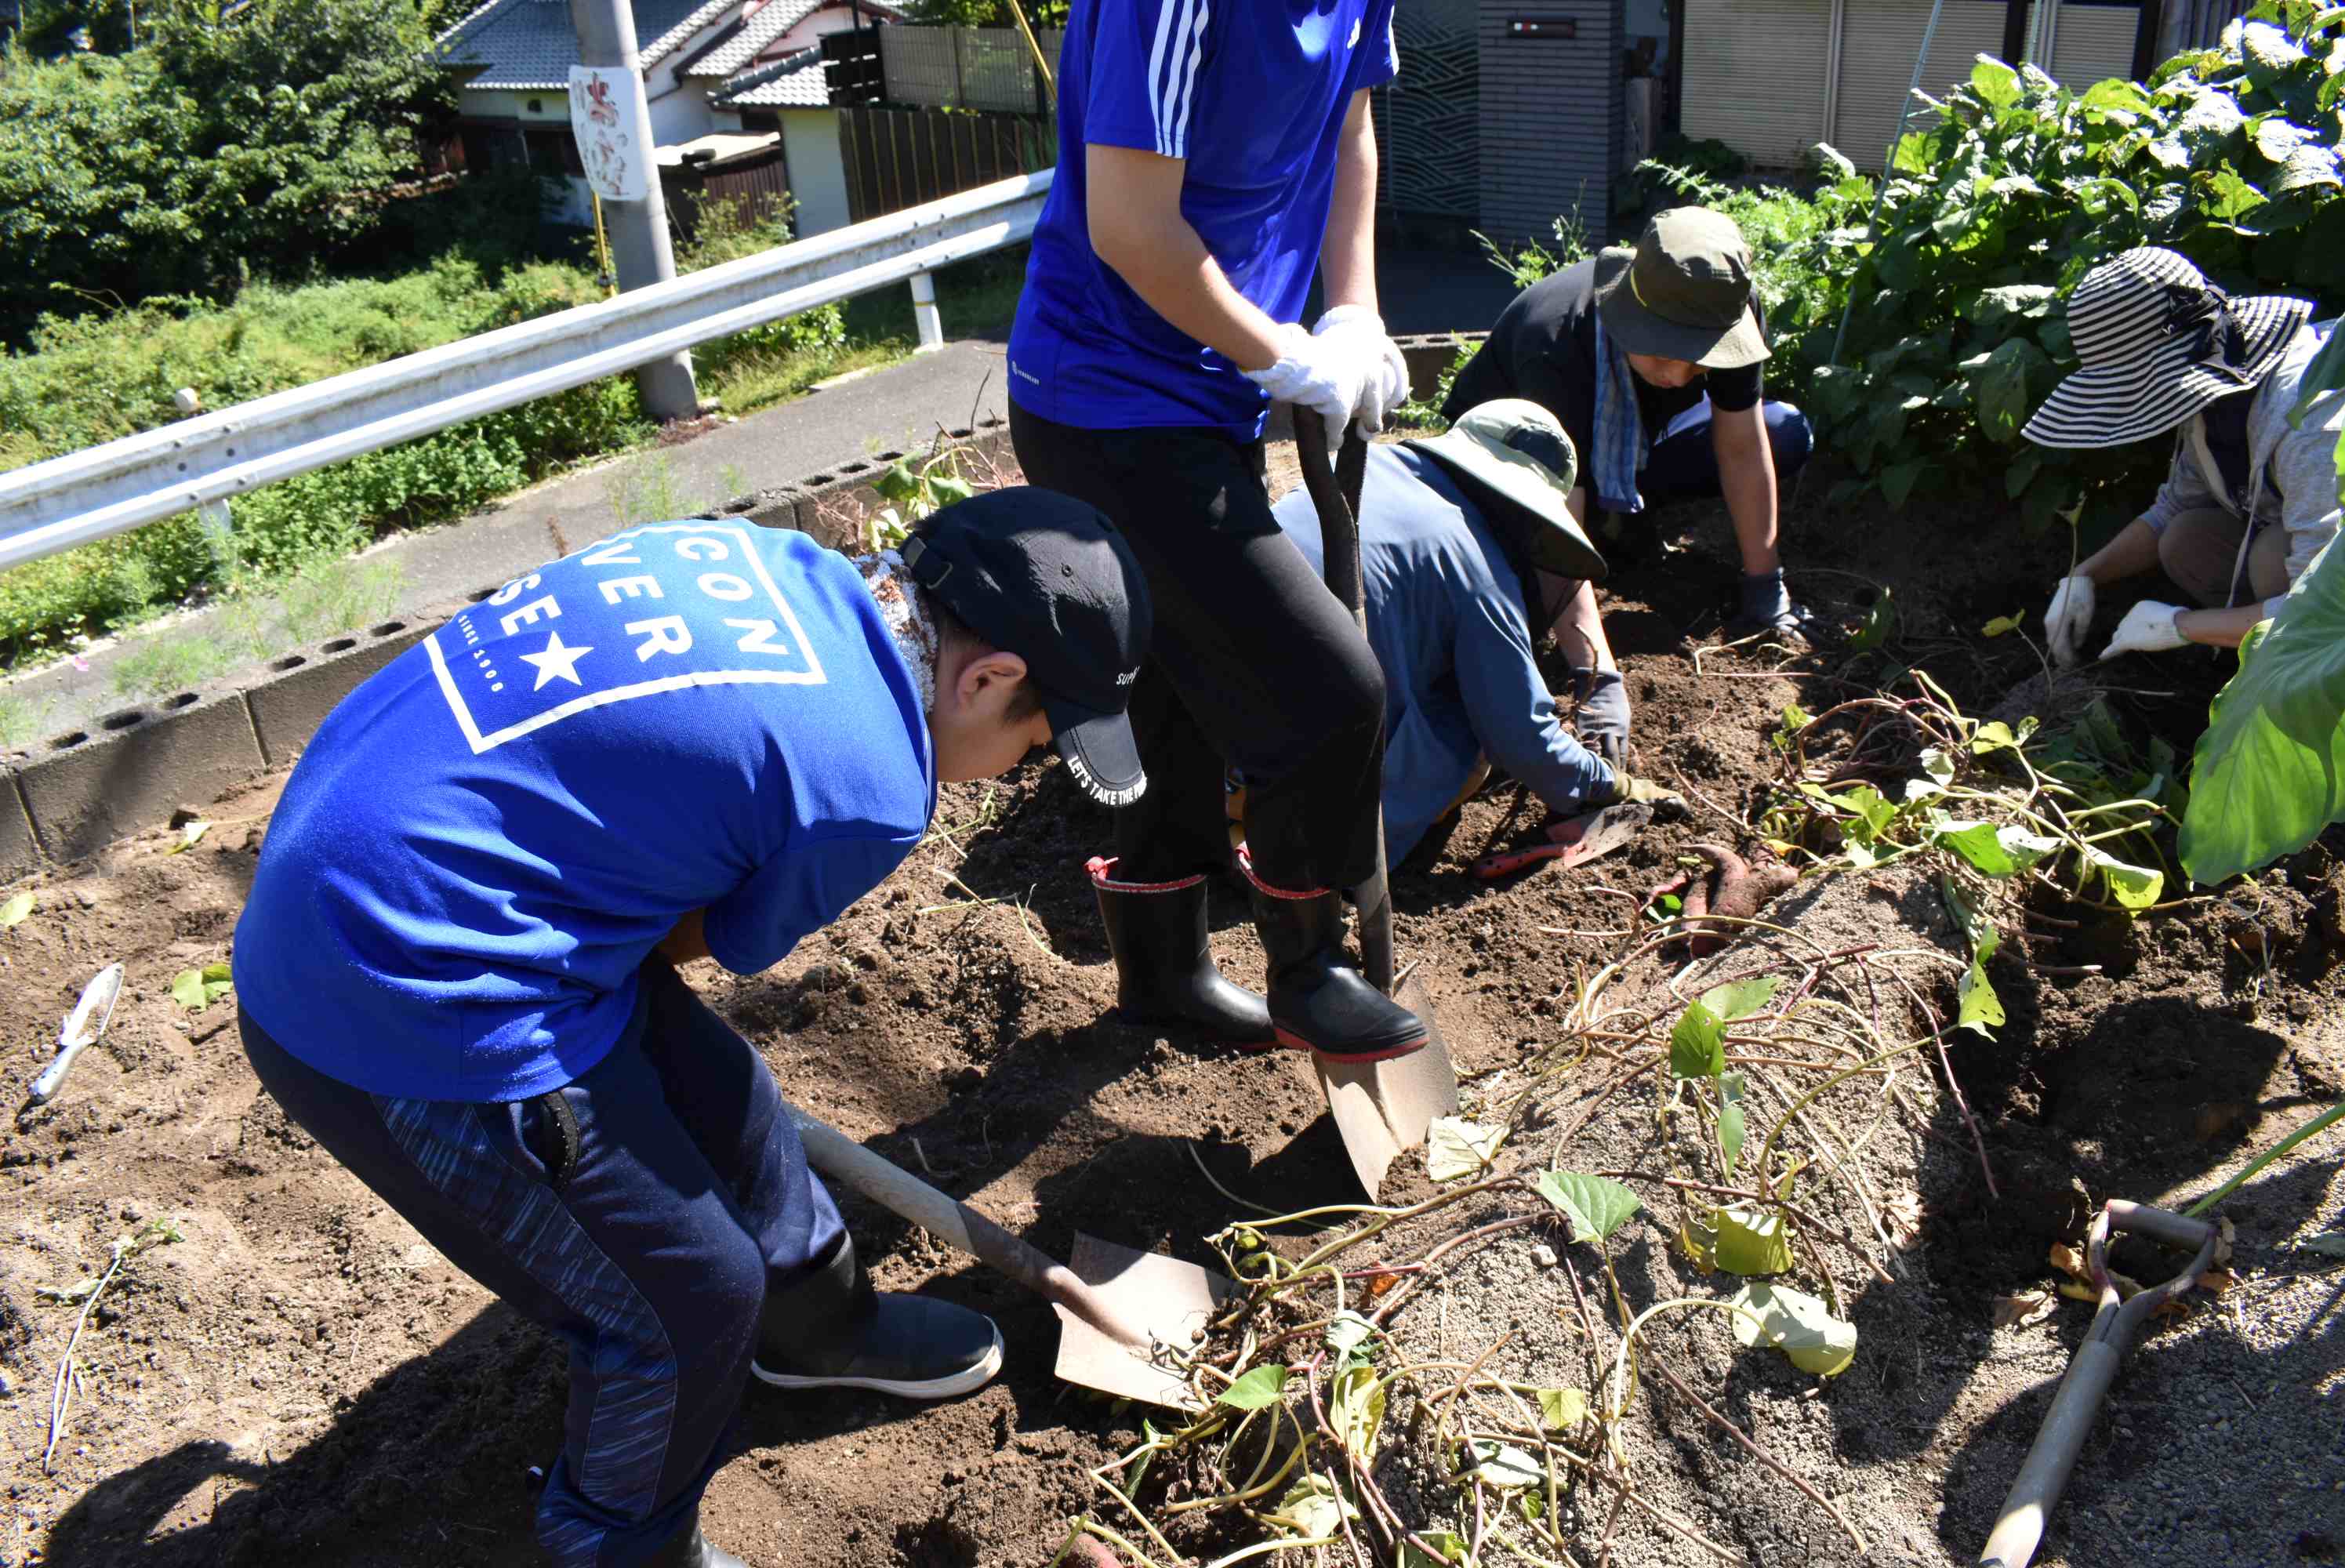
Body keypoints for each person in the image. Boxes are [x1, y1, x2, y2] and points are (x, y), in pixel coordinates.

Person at [229, 492, 1151, 1568]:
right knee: (685, 1307)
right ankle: (623, 1545)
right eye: (1035, 743)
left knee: (726, 1098)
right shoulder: (865, 784)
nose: (1024, 764)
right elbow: (683, 937)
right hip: (401, 991)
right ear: (986, 679)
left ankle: (818, 1330)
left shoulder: (750, 554)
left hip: (354, 854)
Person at [1005, 0, 1428, 1062]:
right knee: (1329, 695)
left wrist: (1353, 309)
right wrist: (1277, 356)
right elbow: (1128, 225)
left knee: (1173, 695)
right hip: (1105, 401)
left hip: (1211, 392)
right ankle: (1308, 969)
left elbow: (1349, 124)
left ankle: (1164, 977)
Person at [1271, 399, 1683, 864]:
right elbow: (1520, 736)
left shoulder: (1367, 464)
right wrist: (1608, 784)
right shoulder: (1481, 569)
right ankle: (1328, 859)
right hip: (1287, 774)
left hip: (1216, 712)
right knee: (1460, 719)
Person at [1441, 206, 1816, 709]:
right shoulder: (1556, 340)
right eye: (1664, 353)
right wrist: (1595, 672)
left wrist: (1766, 584)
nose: (1679, 377)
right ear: (1628, 318)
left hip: (1628, 445)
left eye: (1699, 362)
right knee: (1518, 589)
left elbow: (1743, 446)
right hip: (1506, 469)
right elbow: (1554, 521)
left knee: (1782, 431)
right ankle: (1605, 527)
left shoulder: (1723, 309)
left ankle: (1621, 518)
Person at [2029, 247, 2340, 662]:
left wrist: (2181, 626)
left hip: (2331, 596)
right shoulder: (2215, 401)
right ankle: (2249, 646)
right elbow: (2173, 508)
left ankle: (2295, 671)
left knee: (2272, 558)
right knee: (2186, 539)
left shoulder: (2309, 420)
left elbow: (2323, 604)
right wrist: (2084, 575)